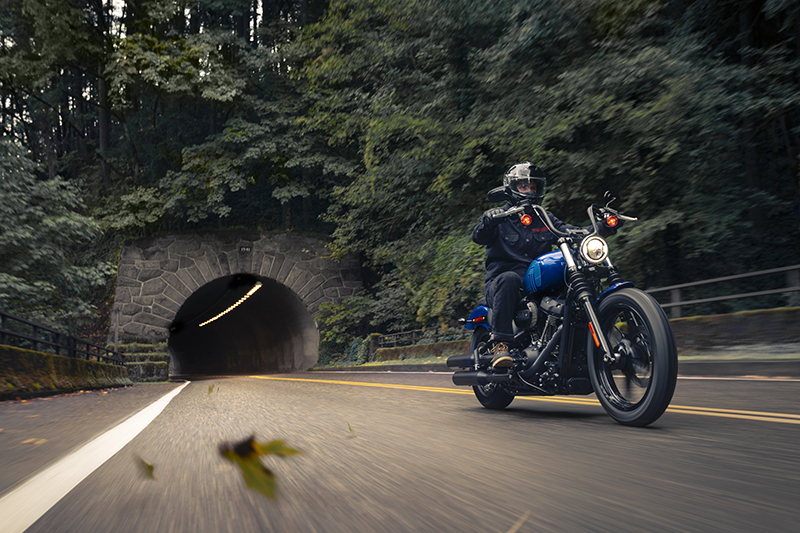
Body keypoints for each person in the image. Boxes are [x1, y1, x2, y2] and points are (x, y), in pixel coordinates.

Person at [472, 162, 586, 369]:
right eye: (524, 186)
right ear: (512, 188)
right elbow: (479, 237)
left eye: (534, 187)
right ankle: (501, 345)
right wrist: (487, 221)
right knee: (510, 278)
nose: (530, 191)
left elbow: (570, 231)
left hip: (537, 286)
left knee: (571, 280)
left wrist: (602, 228)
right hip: (500, 285)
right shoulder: (498, 217)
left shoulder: (545, 218)